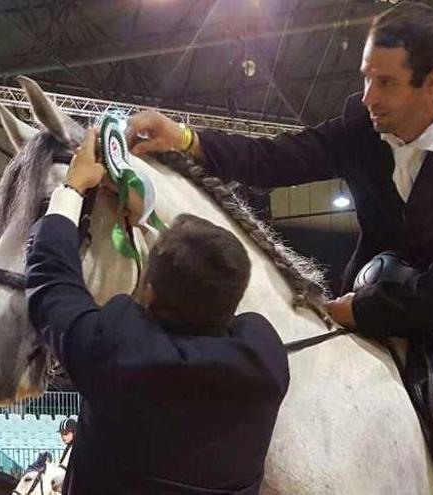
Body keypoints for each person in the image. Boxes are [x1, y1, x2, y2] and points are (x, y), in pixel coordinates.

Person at [127, 2, 433, 493]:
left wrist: (363, 316)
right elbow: (274, 161)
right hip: (377, 286)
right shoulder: (359, 124)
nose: (368, 97)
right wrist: (189, 140)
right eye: (366, 77)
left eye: (385, 82)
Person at [24, 129, 290, 494]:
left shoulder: (112, 353)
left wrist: (72, 188)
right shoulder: (266, 363)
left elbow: (51, 282)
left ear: (147, 292)